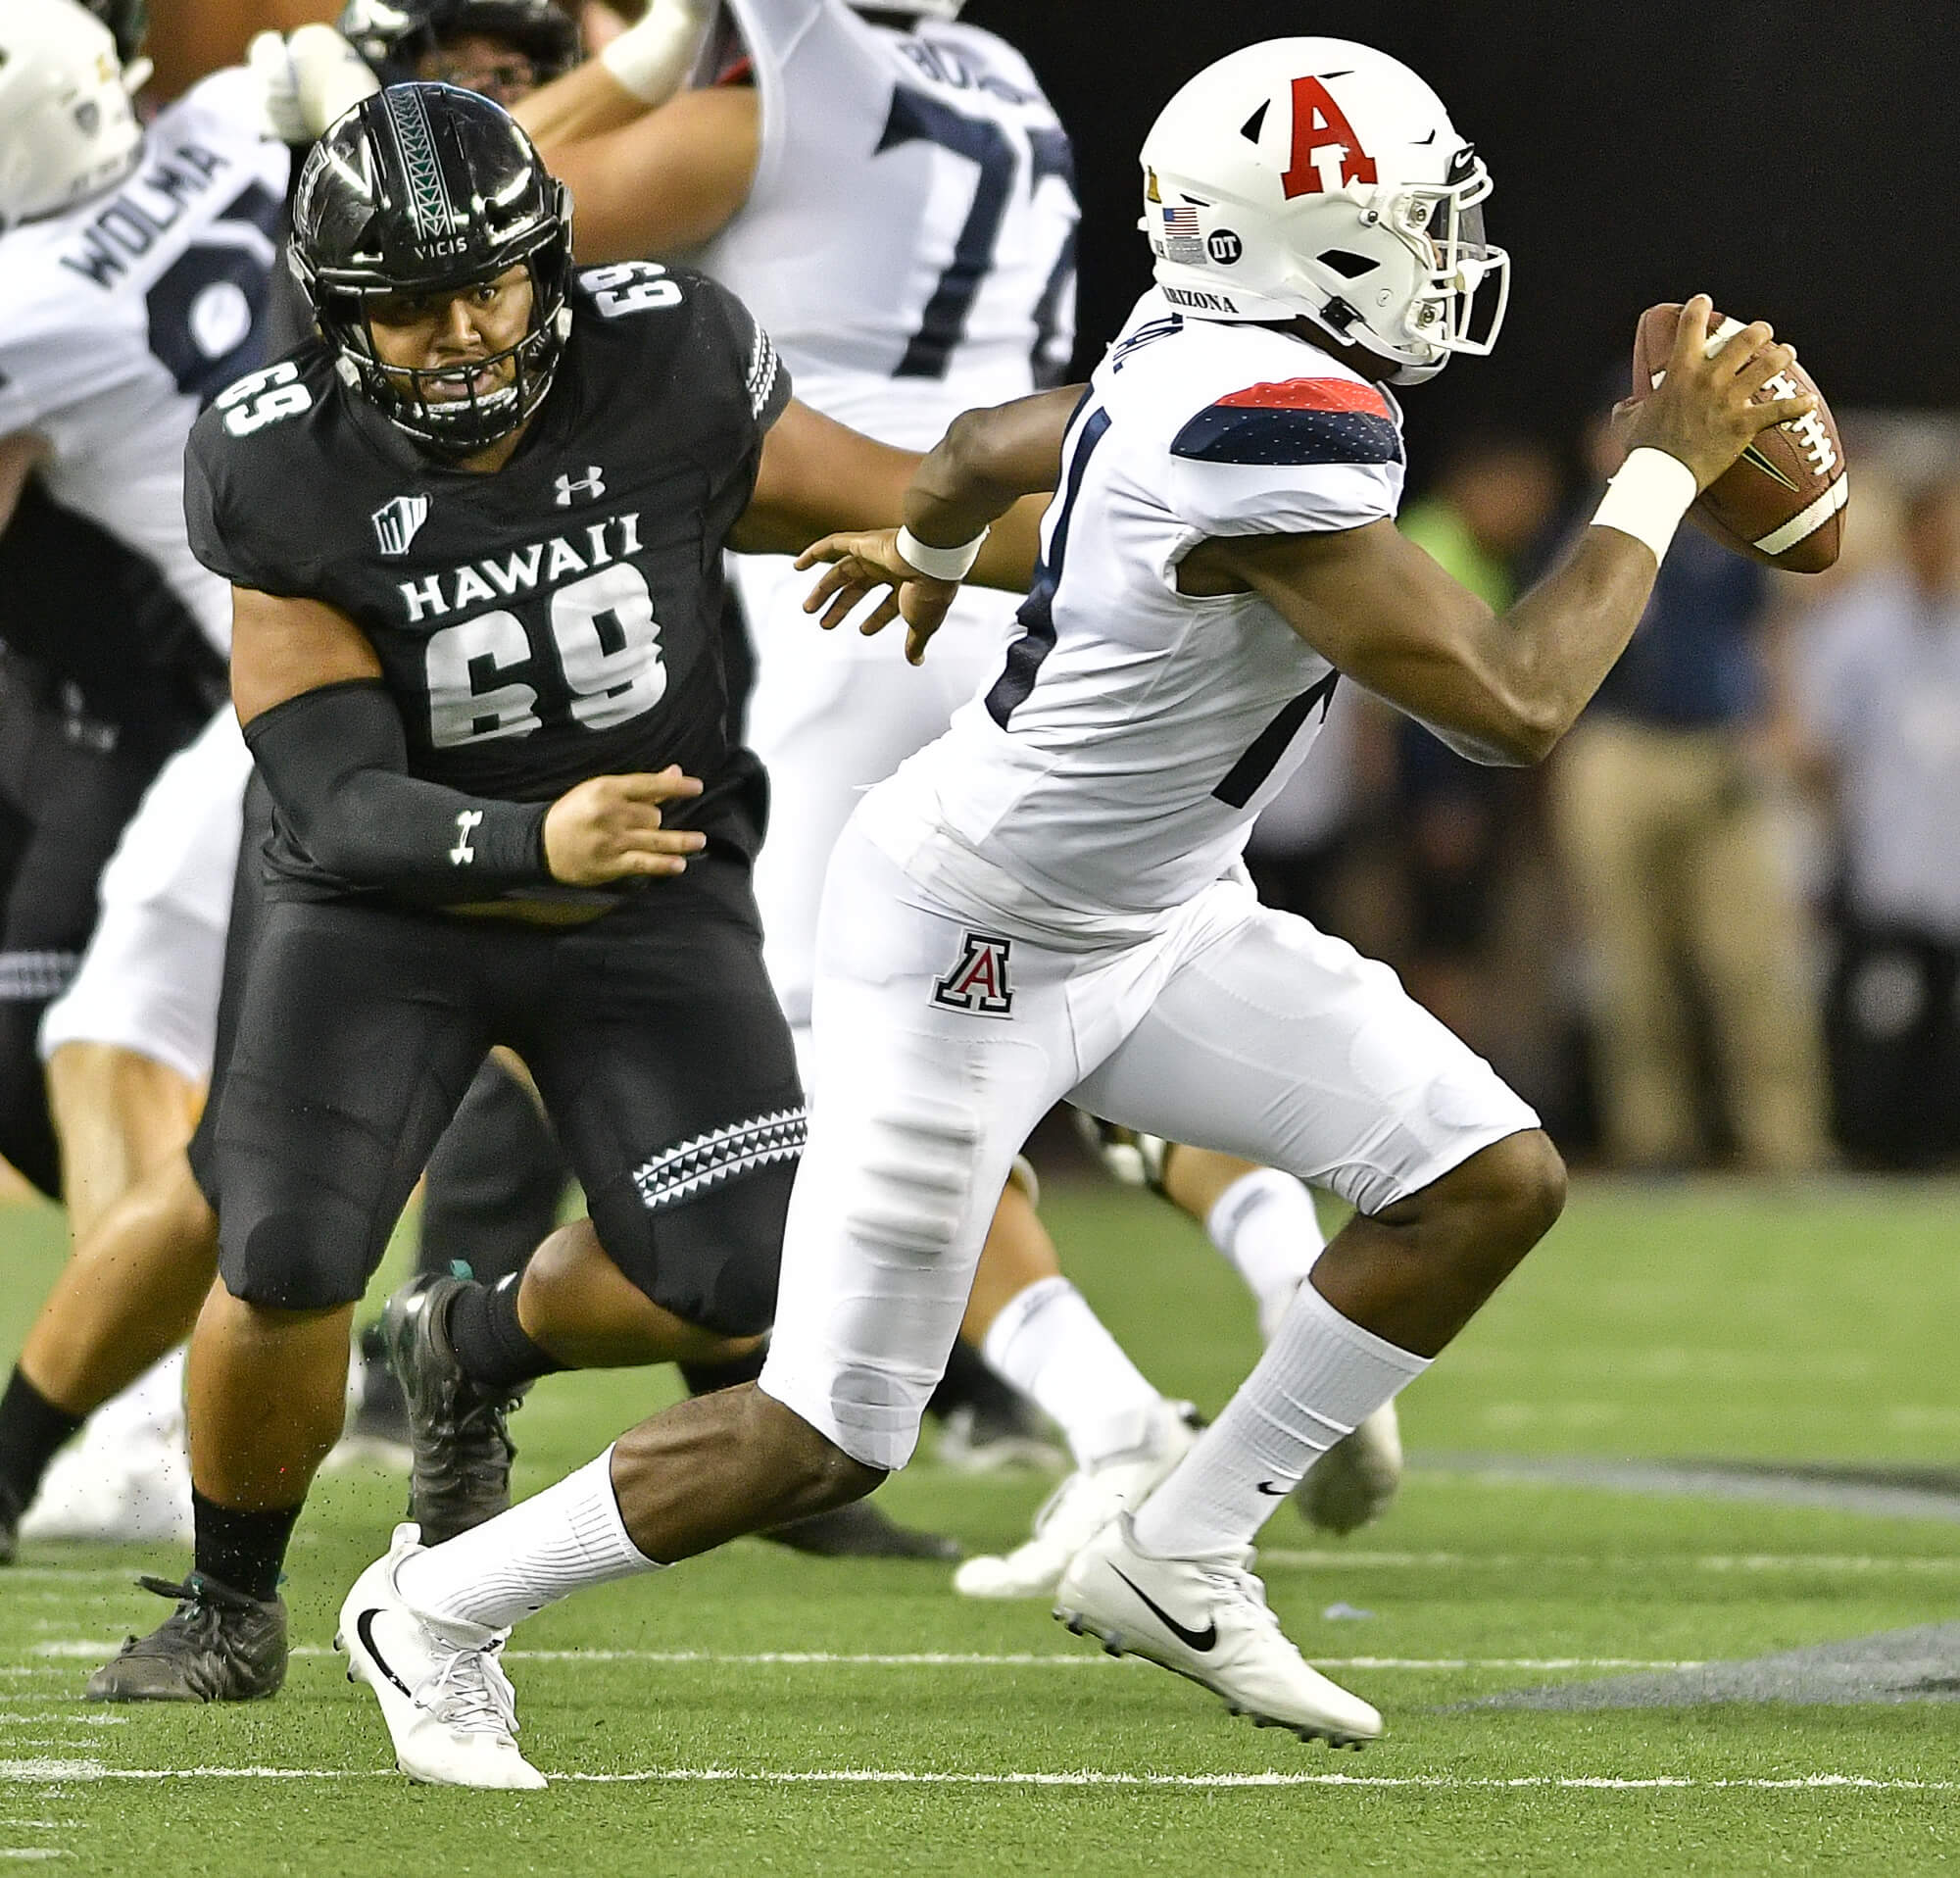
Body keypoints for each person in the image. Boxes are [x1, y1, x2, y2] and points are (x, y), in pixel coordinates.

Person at [334, 36, 1814, 1786]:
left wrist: (929, 552)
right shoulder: (1270, 416)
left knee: (1485, 1178)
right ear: (1299, 239)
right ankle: (429, 1611)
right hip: (969, 941)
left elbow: (978, 445)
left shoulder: (1199, 350)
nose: (1445, 251)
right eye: (1415, 218)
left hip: (1154, 919)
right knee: (827, 1433)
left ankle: (1182, 1550)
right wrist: (1662, 474)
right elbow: (1511, 706)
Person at [79, 81, 1048, 1705]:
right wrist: (533, 841)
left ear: (549, 268)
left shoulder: (665, 366)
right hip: (380, 909)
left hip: (643, 887)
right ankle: (230, 1603)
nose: (461, 333)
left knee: (749, 1275)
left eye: (488, 287)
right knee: (287, 1250)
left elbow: (893, 492)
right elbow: (331, 795)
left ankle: (466, 1348)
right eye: (409, 308)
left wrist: (1169, 546)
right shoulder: (279, 461)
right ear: (337, 319)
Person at [514, 0, 1400, 1580]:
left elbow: (481, 226)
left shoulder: (774, 89)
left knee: (876, 1065)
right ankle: (1284, 1269)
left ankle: (1114, 1423)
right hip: (1037, 565)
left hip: (849, 580)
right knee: (1135, 975)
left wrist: (629, 64)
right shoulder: (1002, 81)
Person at [0, 0, 288, 1554]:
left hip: (299, 683)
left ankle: (145, 1423)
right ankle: (136, 1421)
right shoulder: (233, 118)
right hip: (363, 639)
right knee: (114, 1029)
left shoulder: (22, 303)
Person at [1548, 402, 1830, 1171]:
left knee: (1754, 960)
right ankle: (1652, 1142)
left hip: (1719, 745)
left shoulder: (1728, 523)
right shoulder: (1590, 525)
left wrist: (1780, 718)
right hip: (1617, 746)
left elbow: (1770, 629)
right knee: (1630, 967)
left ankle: (1784, 1144)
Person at [1794, 475, 1960, 1165]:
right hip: (1883, 869)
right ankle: (1863, 1150)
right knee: (1876, 1024)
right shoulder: (1861, 627)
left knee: (1943, 1036)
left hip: (1951, 871)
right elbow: (1817, 746)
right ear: (1915, 533)